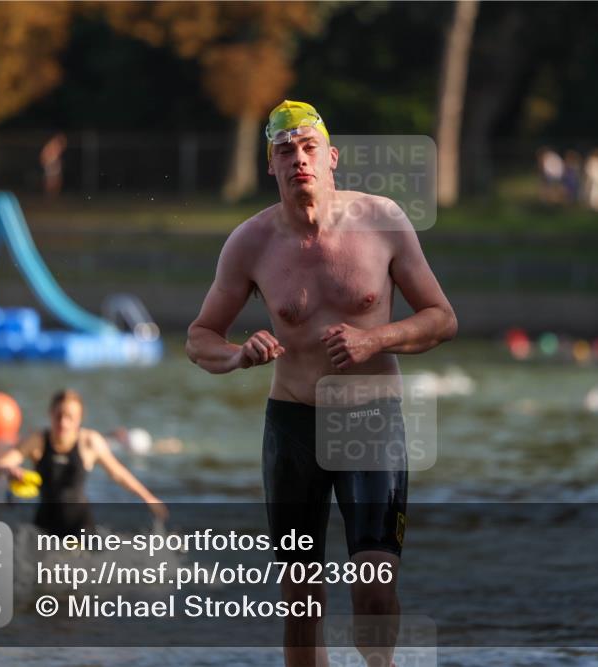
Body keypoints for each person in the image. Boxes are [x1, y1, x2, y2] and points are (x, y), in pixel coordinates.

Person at [185, 100, 457, 667]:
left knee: (375, 588)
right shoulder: (250, 242)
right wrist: (238, 356)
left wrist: (374, 340)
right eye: (285, 151)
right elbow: (199, 336)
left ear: (332, 158)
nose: (298, 159)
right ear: (271, 166)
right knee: (301, 602)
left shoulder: (381, 220)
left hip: (369, 419)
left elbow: (441, 318)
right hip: (292, 428)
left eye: (309, 148)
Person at [0, 389, 168, 537]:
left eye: (69, 417)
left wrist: (148, 498)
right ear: (50, 413)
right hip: (43, 527)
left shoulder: (89, 442)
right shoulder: (37, 440)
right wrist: (9, 469)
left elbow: (119, 474)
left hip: (80, 528)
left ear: (80, 418)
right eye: (58, 415)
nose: (63, 422)